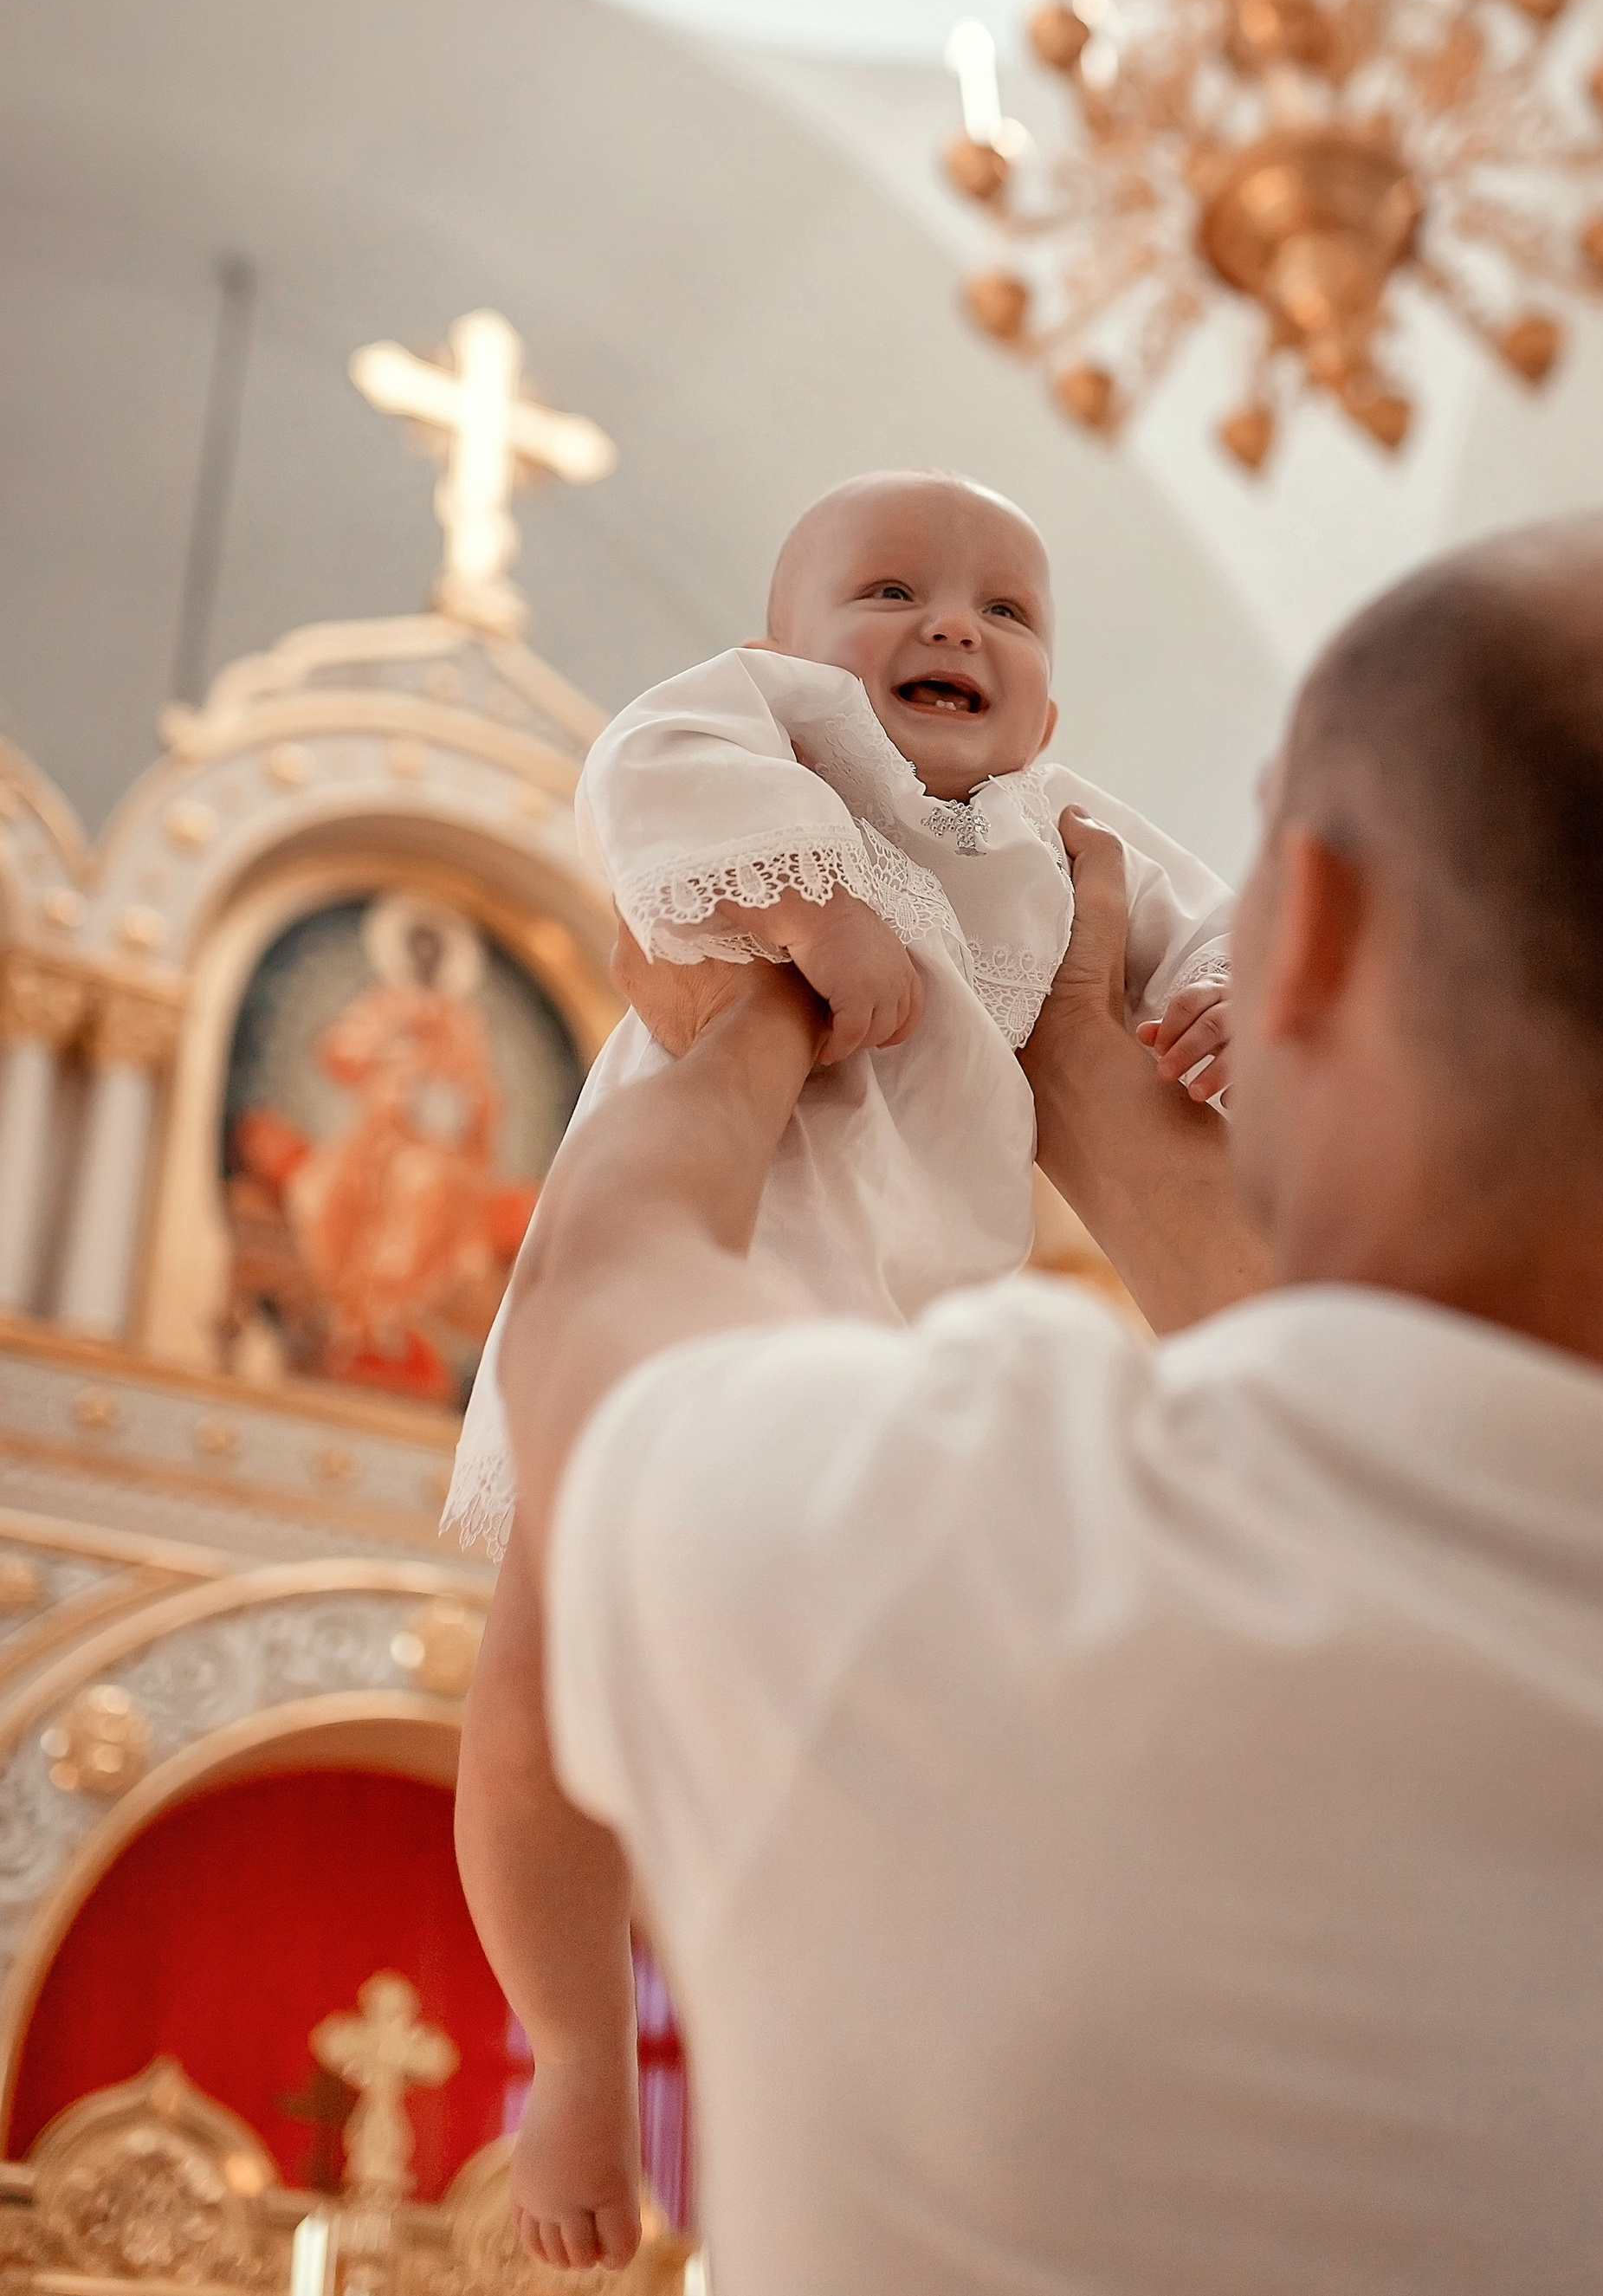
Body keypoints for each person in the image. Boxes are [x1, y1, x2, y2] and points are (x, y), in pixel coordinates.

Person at [494, 512, 1603, 2295]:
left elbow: (593, 1304)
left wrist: (748, 1007)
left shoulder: (964, 1545)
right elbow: (1410, 1489)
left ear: (1312, 938)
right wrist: (1081, 1060)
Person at [452, 470, 1231, 2263]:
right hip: (685, 1270)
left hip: (912, 1342)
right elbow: (641, 774)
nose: (952, 624)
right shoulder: (775, 731)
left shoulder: (1057, 828)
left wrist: (1230, 1012)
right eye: (890, 588)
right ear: (783, 643)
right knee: (534, 1691)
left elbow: (1202, 926)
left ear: (1048, 701)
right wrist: (803, 901)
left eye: (1008, 610)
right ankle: (573, 2049)